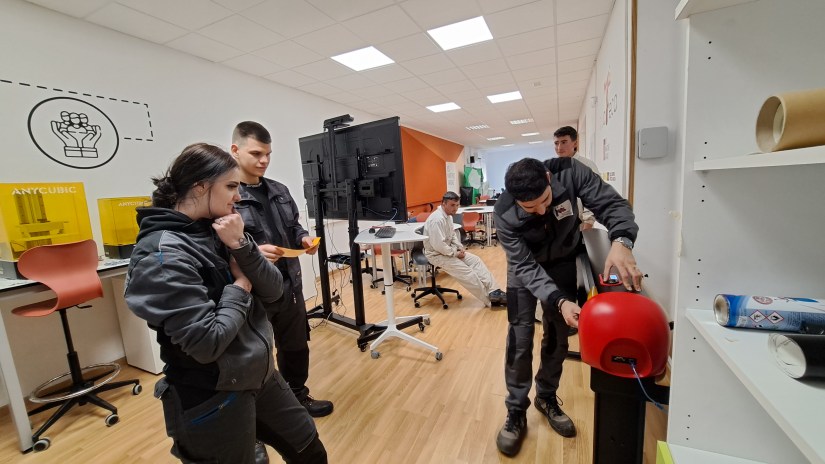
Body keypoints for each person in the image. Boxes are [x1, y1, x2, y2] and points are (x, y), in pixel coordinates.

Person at [124, 143, 327, 463]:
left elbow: (274, 291)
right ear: (200, 186)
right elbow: (208, 342)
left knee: (309, 450)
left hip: (260, 375)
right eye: (231, 186)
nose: (239, 195)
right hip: (214, 392)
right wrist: (242, 284)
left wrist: (242, 247)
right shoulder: (162, 254)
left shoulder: (224, 227)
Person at [493, 157, 643, 457]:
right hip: (524, 270)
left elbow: (611, 204)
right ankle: (516, 410)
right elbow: (524, 265)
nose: (541, 210)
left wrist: (622, 241)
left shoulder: (570, 172)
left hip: (562, 260)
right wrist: (559, 300)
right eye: (530, 207)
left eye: (545, 200)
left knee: (558, 335)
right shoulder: (504, 211)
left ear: (549, 178)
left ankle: (546, 396)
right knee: (520, 340)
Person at [231, 121, 333, 418]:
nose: (264, 160)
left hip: (290, 284)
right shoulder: (228, 194)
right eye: (256, 153)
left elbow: (294, 226)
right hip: (254, 291)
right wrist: (253, 253)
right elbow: (219, 244)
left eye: (268, 154)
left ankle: (297, 398)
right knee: (256, 353)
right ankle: (259, 414)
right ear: (235, 150)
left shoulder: (279, 190)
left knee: (295, 346)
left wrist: (303, 238)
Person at [423, 191, 506, 307]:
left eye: (457, 205)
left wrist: (459, 248)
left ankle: (494, 291)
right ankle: (490, 301)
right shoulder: (437, 220)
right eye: (452, 205)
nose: (455, 208)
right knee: (468, 274)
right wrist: (455, 253)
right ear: (443, 204)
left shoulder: (448, 216)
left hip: (449, 251)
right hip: (436, 255)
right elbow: (439, 246)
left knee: (476, 260)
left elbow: (452, 235)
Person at [554, 125, 600, 231]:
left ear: (575, 143)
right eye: (556, 143)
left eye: (564, 142)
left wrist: (587, 225)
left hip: (580, 226)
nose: (559, 147)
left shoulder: (587, 166)